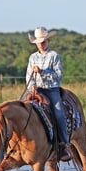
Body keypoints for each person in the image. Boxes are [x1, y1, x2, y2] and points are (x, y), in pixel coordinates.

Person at [25, 26, 71, 161]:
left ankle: (64, 144)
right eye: (38, 42)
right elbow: (28, 76)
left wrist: (42, 72)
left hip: (51, 89)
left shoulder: (54, 56)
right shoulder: (32, 57)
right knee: (21, 108)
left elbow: (58, 76)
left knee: (58, 113)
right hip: (36, 89)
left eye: (43, 42)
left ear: (48, 41)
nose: (41, 44)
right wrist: (32, 87)